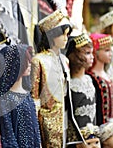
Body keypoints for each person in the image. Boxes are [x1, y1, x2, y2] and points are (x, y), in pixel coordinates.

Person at [31, 9, 76, 147]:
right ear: (51, 35)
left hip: (64, 116)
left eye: (67, 34)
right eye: (61, 34)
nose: (65, 38)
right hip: (46, 119)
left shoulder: (64, 60)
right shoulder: (39, 60)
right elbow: (34, 95)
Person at [0, 44, 41, 147]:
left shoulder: (26, 94)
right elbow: (8, 136)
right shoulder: (4, 100)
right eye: (26, 60)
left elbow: (35, 128)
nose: (30, 63)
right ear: (14, 64)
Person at [65, 31, 96, 144]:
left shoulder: (89, 79)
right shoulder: (71, 85)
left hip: (92, 136)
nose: (92, 57)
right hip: (79, 140)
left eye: (92, 53)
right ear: (76, 56)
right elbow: (70, 118)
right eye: (87, 53)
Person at [86, 33, 113, 125]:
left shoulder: (106, 74)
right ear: (96, 52)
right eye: (106, 50)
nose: (110, 54)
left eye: (110, 50)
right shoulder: (92, 77)